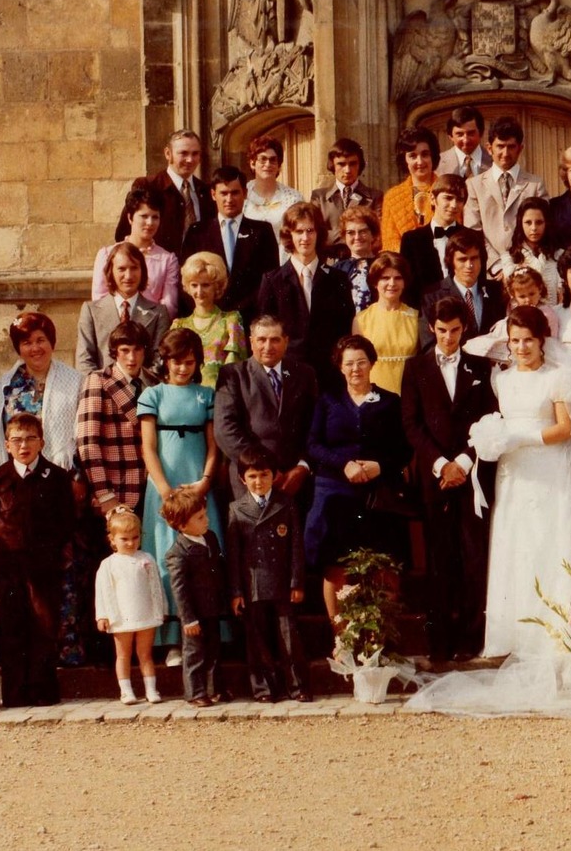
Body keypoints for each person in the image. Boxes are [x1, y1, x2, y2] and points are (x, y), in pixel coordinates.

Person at [407, 306, 571, 719]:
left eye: (528, 339)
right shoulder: (501, 378)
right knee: (519, 548)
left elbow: (567, 428)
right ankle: (521, 638)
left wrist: (517, 435)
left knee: (552, 545)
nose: (522, 347)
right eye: (515, 341)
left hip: (549, 470)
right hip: (515, 475)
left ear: (542, 340)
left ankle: (561, 640)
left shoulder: (558, 376)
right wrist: (494, 438)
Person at [399, 296, 497, 663]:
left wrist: (463, 462)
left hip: (469, 477)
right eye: (442, 331)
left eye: (455, 331)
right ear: (431, 329)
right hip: (435, 477)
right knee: (440, 560)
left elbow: (489, 418)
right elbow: (411, 423)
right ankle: (440, 640)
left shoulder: (479, 366)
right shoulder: (416, 368)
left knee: (473, 557)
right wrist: (441, 464)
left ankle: (471, 639)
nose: (449, 337)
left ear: (464, 329)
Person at [305, 334, 411, 625]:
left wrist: (380, 466)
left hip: (378, 493)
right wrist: (344, 464)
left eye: (361, 362)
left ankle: (381, 638)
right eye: (349, 363)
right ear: (340, 367)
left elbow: (403, 449)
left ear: (372, 363)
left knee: (384, 565)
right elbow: (313, 445)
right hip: (336, 493)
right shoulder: (328, 401)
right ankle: (341, 638)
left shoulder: (389, 402)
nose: (355, 369)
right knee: (336, 566)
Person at [139, 328, 220, 665]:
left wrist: (204, 482)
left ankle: (212, 634)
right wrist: (164, 489)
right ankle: (173, 638)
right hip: (165, 485)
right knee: (166, 556)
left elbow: (214, 446)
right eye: (176, 362)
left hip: (197, 483)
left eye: (189, 362)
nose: (183, 368)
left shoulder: (206, 395)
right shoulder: (153, 395)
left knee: (204, 559)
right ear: (165, 361)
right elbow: (148, 447)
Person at [0, 412, 74, 706]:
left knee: (44, 623)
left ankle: (41, 689)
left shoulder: (57, 477)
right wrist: (8, 548)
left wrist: (55, 553)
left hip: (45, 565)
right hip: (9, 565)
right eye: (17, 440)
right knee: (12, 623)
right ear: (7, 444)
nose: (24, 446)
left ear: (42, 442)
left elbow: (66, 520)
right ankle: (15, 691)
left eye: (30, 439)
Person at [227, 447, 310, 702]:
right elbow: (233, 555)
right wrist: (236, 591)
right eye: (252, 476)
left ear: (274, 475)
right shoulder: (236, 508)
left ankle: (298, 687)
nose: (258, 482)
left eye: (264, 475)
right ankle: (263, 689)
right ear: (242, 479)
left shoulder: (285, 504)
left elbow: (296, 546)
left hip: (282, 582)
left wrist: (297, 581)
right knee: (257, 640)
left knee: (288, 637)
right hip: (253, 584)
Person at [213, 314, 318, 501]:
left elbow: (314, 426)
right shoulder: (233, 375)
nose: (268, 347)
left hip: (294, 479)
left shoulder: (304, 374)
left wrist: (303, 466)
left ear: (286, 342)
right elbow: (224, 429)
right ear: (251, 342)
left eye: (275, 340)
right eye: (261, 340)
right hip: (251, 478)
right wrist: (263, 469)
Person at [0, 310, 83, 494]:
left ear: (51, 342)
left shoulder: (75, 381)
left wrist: (78, 477)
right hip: (14, 485)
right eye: (27, 343)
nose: (35, 348)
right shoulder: (4, 387)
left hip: (61, 483)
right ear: (19, 348)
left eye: (40, 340)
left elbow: (82, 434)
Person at [254, 200, 356, 381]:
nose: (305, 238)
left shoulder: (337, 279)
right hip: (288, 373)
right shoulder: (272, 280)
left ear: (319, 233)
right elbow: (265, 330)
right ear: (289, 235)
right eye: (299, 231)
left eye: (310, 231)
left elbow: (345, 328)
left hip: (329, 374)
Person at [182, 165, 279, 325]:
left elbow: (269, 280)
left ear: (245, 193)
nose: (229, 199)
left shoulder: (262, 231)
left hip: (249, 320)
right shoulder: (197, 232)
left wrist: (240, 312)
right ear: (213, 194)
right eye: (223, 193)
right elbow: (186, 279)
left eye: (235, 193)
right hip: (208, 320)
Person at [75, 321, 152, 520]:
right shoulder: (99, 380)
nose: (132, 358)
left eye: (137, 350)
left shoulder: (154, 381)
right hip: (116, 492)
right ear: (114, 352)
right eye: (125, 350)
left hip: (151, 489)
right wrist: (104, 494)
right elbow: (88, 442)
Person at [161, 486, 227, 707]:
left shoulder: (210, 538)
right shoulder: (177, 554)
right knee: (194, 653)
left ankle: (214, 688)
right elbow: (180, 589)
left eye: (205, 514)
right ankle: (195, 692)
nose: (206, 520)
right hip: (194, 615)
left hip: (213, 608)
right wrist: (188, 618)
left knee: (214, 650)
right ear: (181, 525)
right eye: (200, 518)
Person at [95, 511, 166, 705]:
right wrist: (102, 615)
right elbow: (102, 592)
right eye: (124, 539)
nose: (130, 543)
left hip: (145, 613)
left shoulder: (147, 559)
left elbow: (156, 586)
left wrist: (161, 608)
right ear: (112, 539)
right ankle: (126, 691)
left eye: (135, 538)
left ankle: (151, 689)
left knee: (145, 654)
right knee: (123, 655)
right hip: (121, 616)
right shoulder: (108, 564)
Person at [113, 129, 214, 259]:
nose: (190, 159)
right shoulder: (147, 186)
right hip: (158, 269)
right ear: (168, 153)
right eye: (183, 153)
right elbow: (124, 232)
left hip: (195, 272)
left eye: (195, 154)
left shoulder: (205, 191)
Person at [77, 242, 172, 374]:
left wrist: (137, 387)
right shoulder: (91, 311)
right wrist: (104, 388)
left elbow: (158, 361)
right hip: (102, 390)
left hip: (144, 391)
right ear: (111, 271)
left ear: (142, 271)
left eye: (134, 268)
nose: (128, 276)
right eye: (122, 269)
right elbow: (84, 361)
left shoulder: (158, 313)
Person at [464, 116, 546, 267]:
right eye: (500, 146)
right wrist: (497, 266)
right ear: (489, 148)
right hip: (490, 272)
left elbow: (543, 227)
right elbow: (473, 231)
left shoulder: (535, 184)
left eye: (511, 146)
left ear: (520, 148)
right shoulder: (474, 185)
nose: (505, 153)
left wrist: (523, 262)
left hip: (527, 268)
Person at [95, 182, 181, 314]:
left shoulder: (167, 260)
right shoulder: (107, 254)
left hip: (152, 328)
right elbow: (99, 301)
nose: (150, 223)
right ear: (130, 218)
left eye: (155, 217)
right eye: (144, 216)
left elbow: (169, 306)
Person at [418, 228, 504, 350]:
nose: (469, 265)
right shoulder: (432, 296)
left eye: (474, 258)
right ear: (451, 262)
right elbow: (429, 345)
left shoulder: (496, 290)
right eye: (462, 259)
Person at [173, 252, 249, 389]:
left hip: (220, 400)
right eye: (194, 285)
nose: (199, 291)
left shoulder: (230, 321)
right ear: (187, 287)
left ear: (217, 286)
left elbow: (235, 370)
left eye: (206, 285)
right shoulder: (179, 326)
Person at [352, 253, 420, 394]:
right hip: (375, 394)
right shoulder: (361, 319)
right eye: (385, 278)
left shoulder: (416, 317)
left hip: (410, 392)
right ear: (375, 282)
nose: (392, 283)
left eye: (398, 278)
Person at [399, 174, 469, 301]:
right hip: (424, 313)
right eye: (448, 198)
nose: (454, 205)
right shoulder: (411, 240)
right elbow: (408, 287)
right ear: (432, 199)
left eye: (459, 200)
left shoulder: (471, 238)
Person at [310, 137, 383, 245]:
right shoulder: (319, 197)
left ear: (360, 165)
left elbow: (377, 234)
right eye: (341, 164)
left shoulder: (375, 197)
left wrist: (331, 234)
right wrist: (359, 234)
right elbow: (316, 233)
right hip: (329, 259)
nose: (348, 170)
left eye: (353, 164)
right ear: (332, 166)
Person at [380, 126, 441, 255]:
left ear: (433, 156)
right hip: (404, 268)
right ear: (404, 159)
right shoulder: (392, 197)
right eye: (413, 156)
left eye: (425, 154)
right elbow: (389, 242)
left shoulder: (447, 190)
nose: (420, 161)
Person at [498, 196, 561, 298]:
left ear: (547, 223)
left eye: (539, 222)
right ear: (520, 223)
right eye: (528, 222)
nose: (534, 228)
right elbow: (511, 295)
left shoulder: (558, 255)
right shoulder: (510, 258)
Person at [241, 133, 304, 235]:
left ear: (279, 165)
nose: (268, 164)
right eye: (263, 159)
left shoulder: (293, 199)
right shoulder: (241, 195)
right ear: (252, 163)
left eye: (273, 160)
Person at [331, 205, 384, 313]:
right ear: (344, 237)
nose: (357, 237)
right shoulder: (336, 270)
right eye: (351, 233)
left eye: (363, 231)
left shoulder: (384, 264)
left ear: (373, 234)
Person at [436, 104, 491, 179]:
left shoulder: (494, 161)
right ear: (450, 136)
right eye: (460, 134)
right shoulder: (438, 163)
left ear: (481, 133)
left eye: (471, 133)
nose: (466, 140)